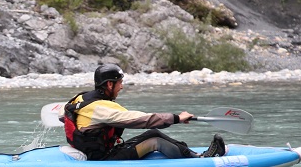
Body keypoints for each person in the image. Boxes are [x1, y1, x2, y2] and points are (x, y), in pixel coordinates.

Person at [60, 63, 226, 161]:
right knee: (154, 136)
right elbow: (141, 119)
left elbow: (66, 116)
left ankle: (187, 151)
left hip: (90, 151)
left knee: (152, 134)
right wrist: (177, 118)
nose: (122, 86)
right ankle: (200, 159)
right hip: (103, 158)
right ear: (109, 85)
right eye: (119, 83)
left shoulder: (81, 99)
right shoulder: (102, 108)